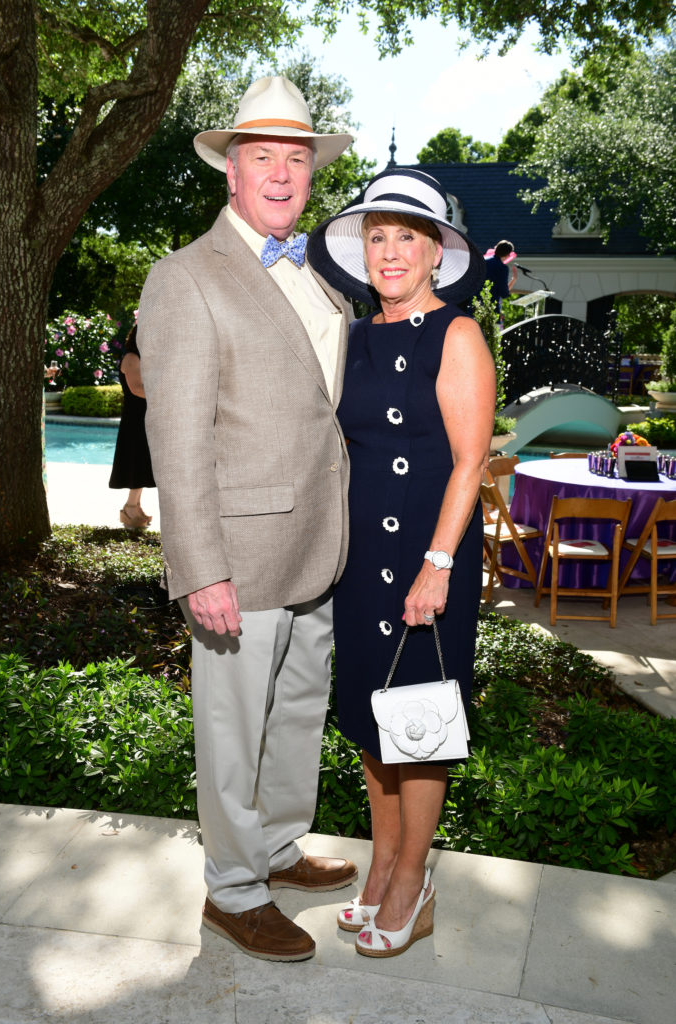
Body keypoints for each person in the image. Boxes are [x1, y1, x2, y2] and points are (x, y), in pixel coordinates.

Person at [137, 76, 358, 962]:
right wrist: (200, 566)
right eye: (261, 157)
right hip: (239, 551)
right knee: (233, 728)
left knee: (297, 708)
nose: (280, 174)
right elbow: (176, 436)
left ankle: (276, 847)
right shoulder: (185, 277)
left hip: (315, 543)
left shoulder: (312, 274)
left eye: (295, 159)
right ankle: (232, 889)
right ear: (229, 172)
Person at [307, 168, 495, 957]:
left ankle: (413, 881)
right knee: (369, 717)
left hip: (427, 550)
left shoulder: (457, 333)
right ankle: (381, 865)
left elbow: (469, 461)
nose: (389, 251)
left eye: (406, 238)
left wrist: (438, 563)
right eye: (376, 237)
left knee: (417, 723)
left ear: (435, 252)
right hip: (360, 559)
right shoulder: (353, 336)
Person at [109, 323, 155, 529]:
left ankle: (134, 506)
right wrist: (165, 394)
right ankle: (129, 508)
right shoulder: (131, 358)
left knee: (143, 462)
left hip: (144, 416)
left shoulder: (142, 357)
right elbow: (137, 389)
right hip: (135, 419)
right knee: (137, 462)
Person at [484, 239, 517, 324]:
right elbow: (504, 293)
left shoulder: (483, 261)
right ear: (508, 254)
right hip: (490, 310)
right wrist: (514, 279)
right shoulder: (502, 268)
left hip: (474, 307)